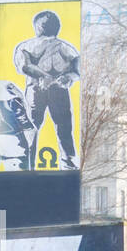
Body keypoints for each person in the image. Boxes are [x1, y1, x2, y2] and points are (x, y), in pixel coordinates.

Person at [13, 9, 80, 169]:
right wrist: (50, 76)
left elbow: (77, 71)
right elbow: (25, 66)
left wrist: (68, 77)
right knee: (39, 125)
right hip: (40, 89)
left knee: (55, 125)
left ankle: (66, 161)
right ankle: (64, 162)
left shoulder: (64, 48)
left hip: (52, 90)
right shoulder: (65, 48)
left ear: (37, 27)